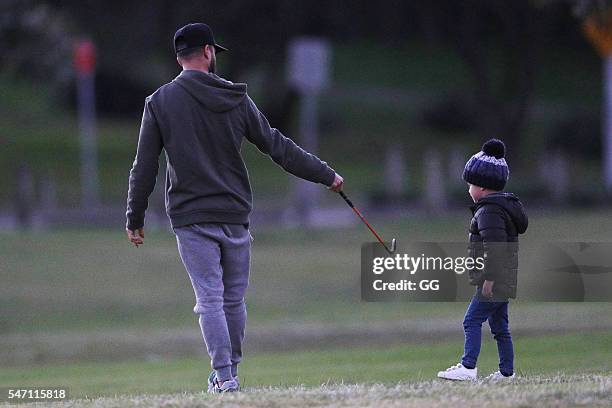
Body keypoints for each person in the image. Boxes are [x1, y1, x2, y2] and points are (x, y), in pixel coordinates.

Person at [125, 23, 343, 393]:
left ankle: (225, 377)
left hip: (191, 218)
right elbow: (278, 147)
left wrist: (135, 216)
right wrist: (326, 175)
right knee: (232, 300)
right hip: (235, 215)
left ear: (179, 57)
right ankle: (229, 374)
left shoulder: (159, 102)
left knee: (208, 298)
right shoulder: (236, 98)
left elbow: (144, 166)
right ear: (208, 52)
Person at [437, 139, 527, 382]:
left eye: (471, 184)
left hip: (494, 280)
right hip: (505, 279)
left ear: (483, 187)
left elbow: (495, 247)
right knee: (500, 328)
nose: (468, 189)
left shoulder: (488, 212)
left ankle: (468, 367)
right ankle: (507, 373)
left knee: (471, 321)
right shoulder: (501, 208)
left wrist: (489, 278)